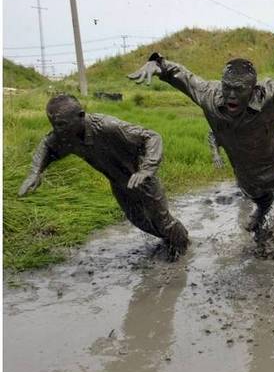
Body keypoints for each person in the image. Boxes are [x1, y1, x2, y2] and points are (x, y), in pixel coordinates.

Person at [128, 54, 274, 265]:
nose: (230, 94)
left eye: (238, 89)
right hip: (246, 176)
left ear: (252, 88)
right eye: (227, 87)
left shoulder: (272, 94)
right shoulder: (209, 95)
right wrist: (157, 63)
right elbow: (183, 75)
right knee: (261, 200)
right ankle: (262, 221)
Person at [18, 94, 189, 260]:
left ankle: (183, 250)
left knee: (163, 221)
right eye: (54, 125)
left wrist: (146, 170)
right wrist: (35, 172)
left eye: (62, 125)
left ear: (81, 116)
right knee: (138, 220)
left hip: (142, 179)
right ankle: (171, 241)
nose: (57, 131)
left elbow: (152, 137)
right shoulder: (65, 135)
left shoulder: (108, 126)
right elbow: (47, 144)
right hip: (118, 184)